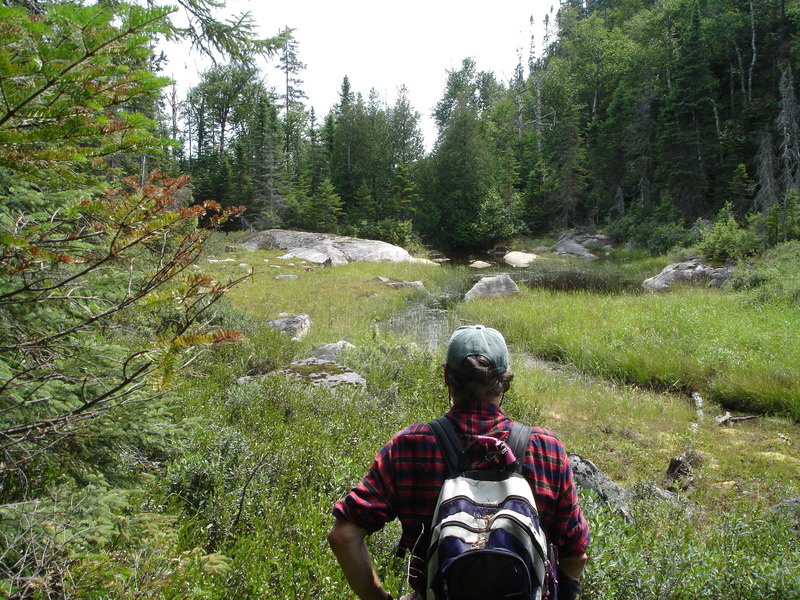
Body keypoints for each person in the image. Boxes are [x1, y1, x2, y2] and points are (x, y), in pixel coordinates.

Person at [328, 325, 590, 600]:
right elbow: (575, 555)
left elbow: (344, 536)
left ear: (446, 377)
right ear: (505, 380)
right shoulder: (546, 448)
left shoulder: (409, 445)